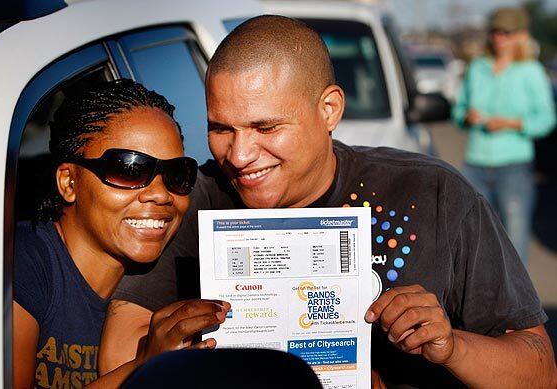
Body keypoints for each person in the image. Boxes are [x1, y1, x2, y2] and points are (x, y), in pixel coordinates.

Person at [101, 16, 557, 387]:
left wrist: (452, 347)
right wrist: (169, 356)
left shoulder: (432, 194)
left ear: (329, 110)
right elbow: (120, 354)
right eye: (221, 128)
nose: (238, 156)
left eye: (266, 128)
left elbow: (540, 369)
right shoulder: (189, 200)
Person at [13, 80, 230, 388]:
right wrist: (145, 366)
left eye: (176, 174)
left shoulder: (181, 278)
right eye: (129, 169)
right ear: (69, 182)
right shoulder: (22, 261)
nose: (161, 195)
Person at [453, 7, 556, 265]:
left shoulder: (531, 71)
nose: (499, 38)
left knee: (513, 244)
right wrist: (468, 117)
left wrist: (513, 123)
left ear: (521, 35)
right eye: (495, 32)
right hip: (475, 164)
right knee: (474, 243)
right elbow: (458, 110)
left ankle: (514, 305)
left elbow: (546, 119)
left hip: (514, 166)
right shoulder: (477, 67)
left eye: (506, 33)